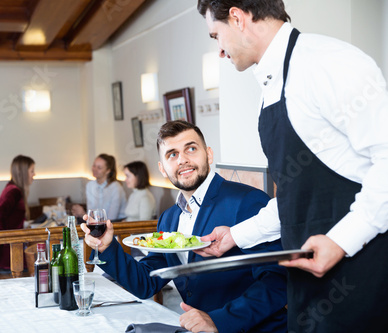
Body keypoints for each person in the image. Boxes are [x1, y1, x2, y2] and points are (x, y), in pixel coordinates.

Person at [196, 1, 388, 331]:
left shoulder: (331, 62)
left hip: (361, 280)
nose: (220, 52)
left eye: (216, 36)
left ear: (238, 18)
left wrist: (341, 240)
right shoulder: (269, 87)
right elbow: (294, 197)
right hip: (306, 286)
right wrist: (235, 236)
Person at [82, 120, 287, 333]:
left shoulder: (247, 201)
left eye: (191, 149)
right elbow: (145, 283)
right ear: (162, 168)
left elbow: (278, 281)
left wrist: (220, 320)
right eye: (172, 154)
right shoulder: (169, 219)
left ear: (208, 154)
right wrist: (107, 248)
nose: (183, 160)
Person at [0, 154, 35, 270]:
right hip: (10, 254)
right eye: (32, 171)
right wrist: (6, 241)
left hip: (14, 247)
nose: (34, 174)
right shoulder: (13, 191)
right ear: (23, 173)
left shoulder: (13, 188)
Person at [72, 154, 127, 221]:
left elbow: (111, 219)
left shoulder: (116, 187)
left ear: (108, 171)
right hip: (97, 224)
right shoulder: (90, 185)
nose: (94, 169)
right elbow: (91, 213)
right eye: (94, 165)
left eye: (99, 167)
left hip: (116, 225)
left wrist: (83, 214)